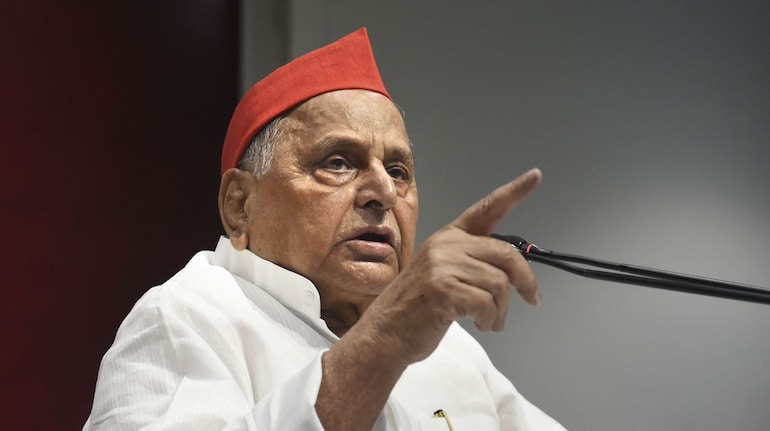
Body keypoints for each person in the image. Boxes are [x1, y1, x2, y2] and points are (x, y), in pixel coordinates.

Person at [83, 28, 566, 431]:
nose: (383, 192)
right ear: (239, 206)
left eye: (398, 171)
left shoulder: (450, 347)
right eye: (338, 163)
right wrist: (384, 342)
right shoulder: (185, 318)